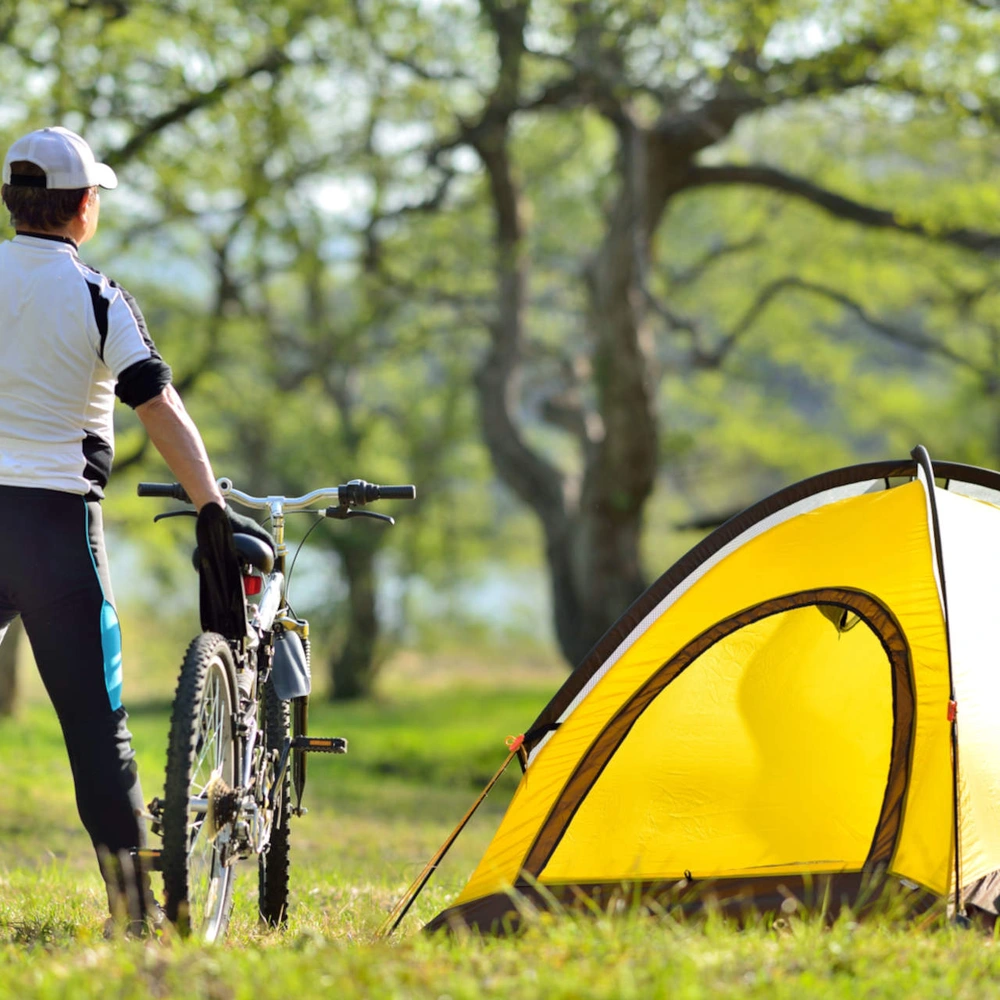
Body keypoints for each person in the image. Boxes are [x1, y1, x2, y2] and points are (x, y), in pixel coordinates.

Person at [0, 126, 271, 935]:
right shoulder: (97, 296)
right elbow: (158, 405)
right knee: (95, 726)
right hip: (56, 533)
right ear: (84, 207)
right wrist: (213, 510)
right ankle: (133, 915)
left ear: (13, 200)